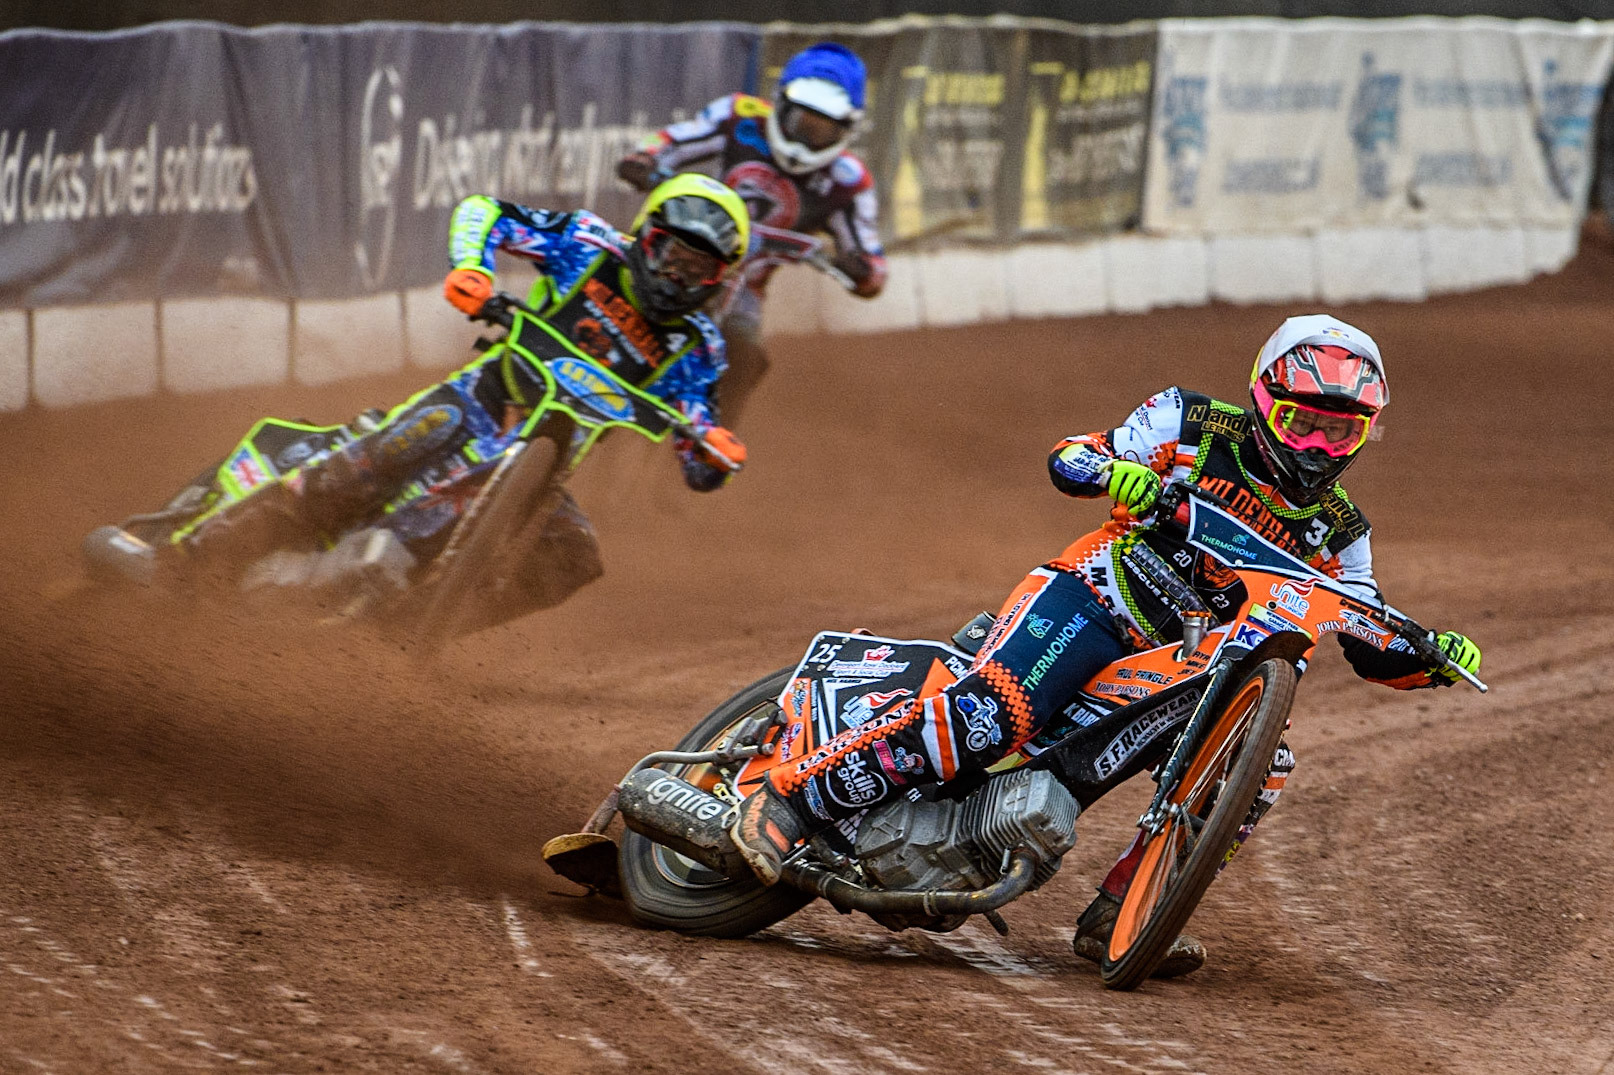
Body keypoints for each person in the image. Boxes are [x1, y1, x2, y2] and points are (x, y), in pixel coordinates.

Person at [730, 314, 1483, 977]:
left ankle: (1125, 909)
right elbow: (1074, 456)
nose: (1319, 447)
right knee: (997, 718)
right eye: (1302, 423)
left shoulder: (1343, 532)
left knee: (1264, 766)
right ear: (1261, 402)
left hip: (1187, 670)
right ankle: (793, 802)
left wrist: (1431, 654)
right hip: (1097, 600)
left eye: (1341, 430)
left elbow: (1368, 630)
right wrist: (1121, 473)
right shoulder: (1190, 421)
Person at [180, 175, 752, 609]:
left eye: (695, 268)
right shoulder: (588, 244)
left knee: (572, 556)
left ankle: (406, 635)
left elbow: (698, 444)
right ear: (646, 234)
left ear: (717, 280)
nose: (676, 275)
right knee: (371, 462)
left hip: (543, 472)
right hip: (478, 401)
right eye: (671, 254)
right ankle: (195, 552)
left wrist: (714, 450)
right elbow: (486, 213)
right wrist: (472, 270)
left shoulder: (698, 349)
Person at [616, 41, 887, 424]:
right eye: (801, 122)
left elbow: (874, 268)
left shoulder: (849, 182)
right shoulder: (739, 117)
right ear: (779, 104)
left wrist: (858, 266)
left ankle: (706, 445)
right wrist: (644, 161)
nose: (806, 139)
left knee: (743, 358)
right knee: (602, 288)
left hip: (743, 288)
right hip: (672, 249)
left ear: (848, 128)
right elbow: (667, 142)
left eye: (823, 130)